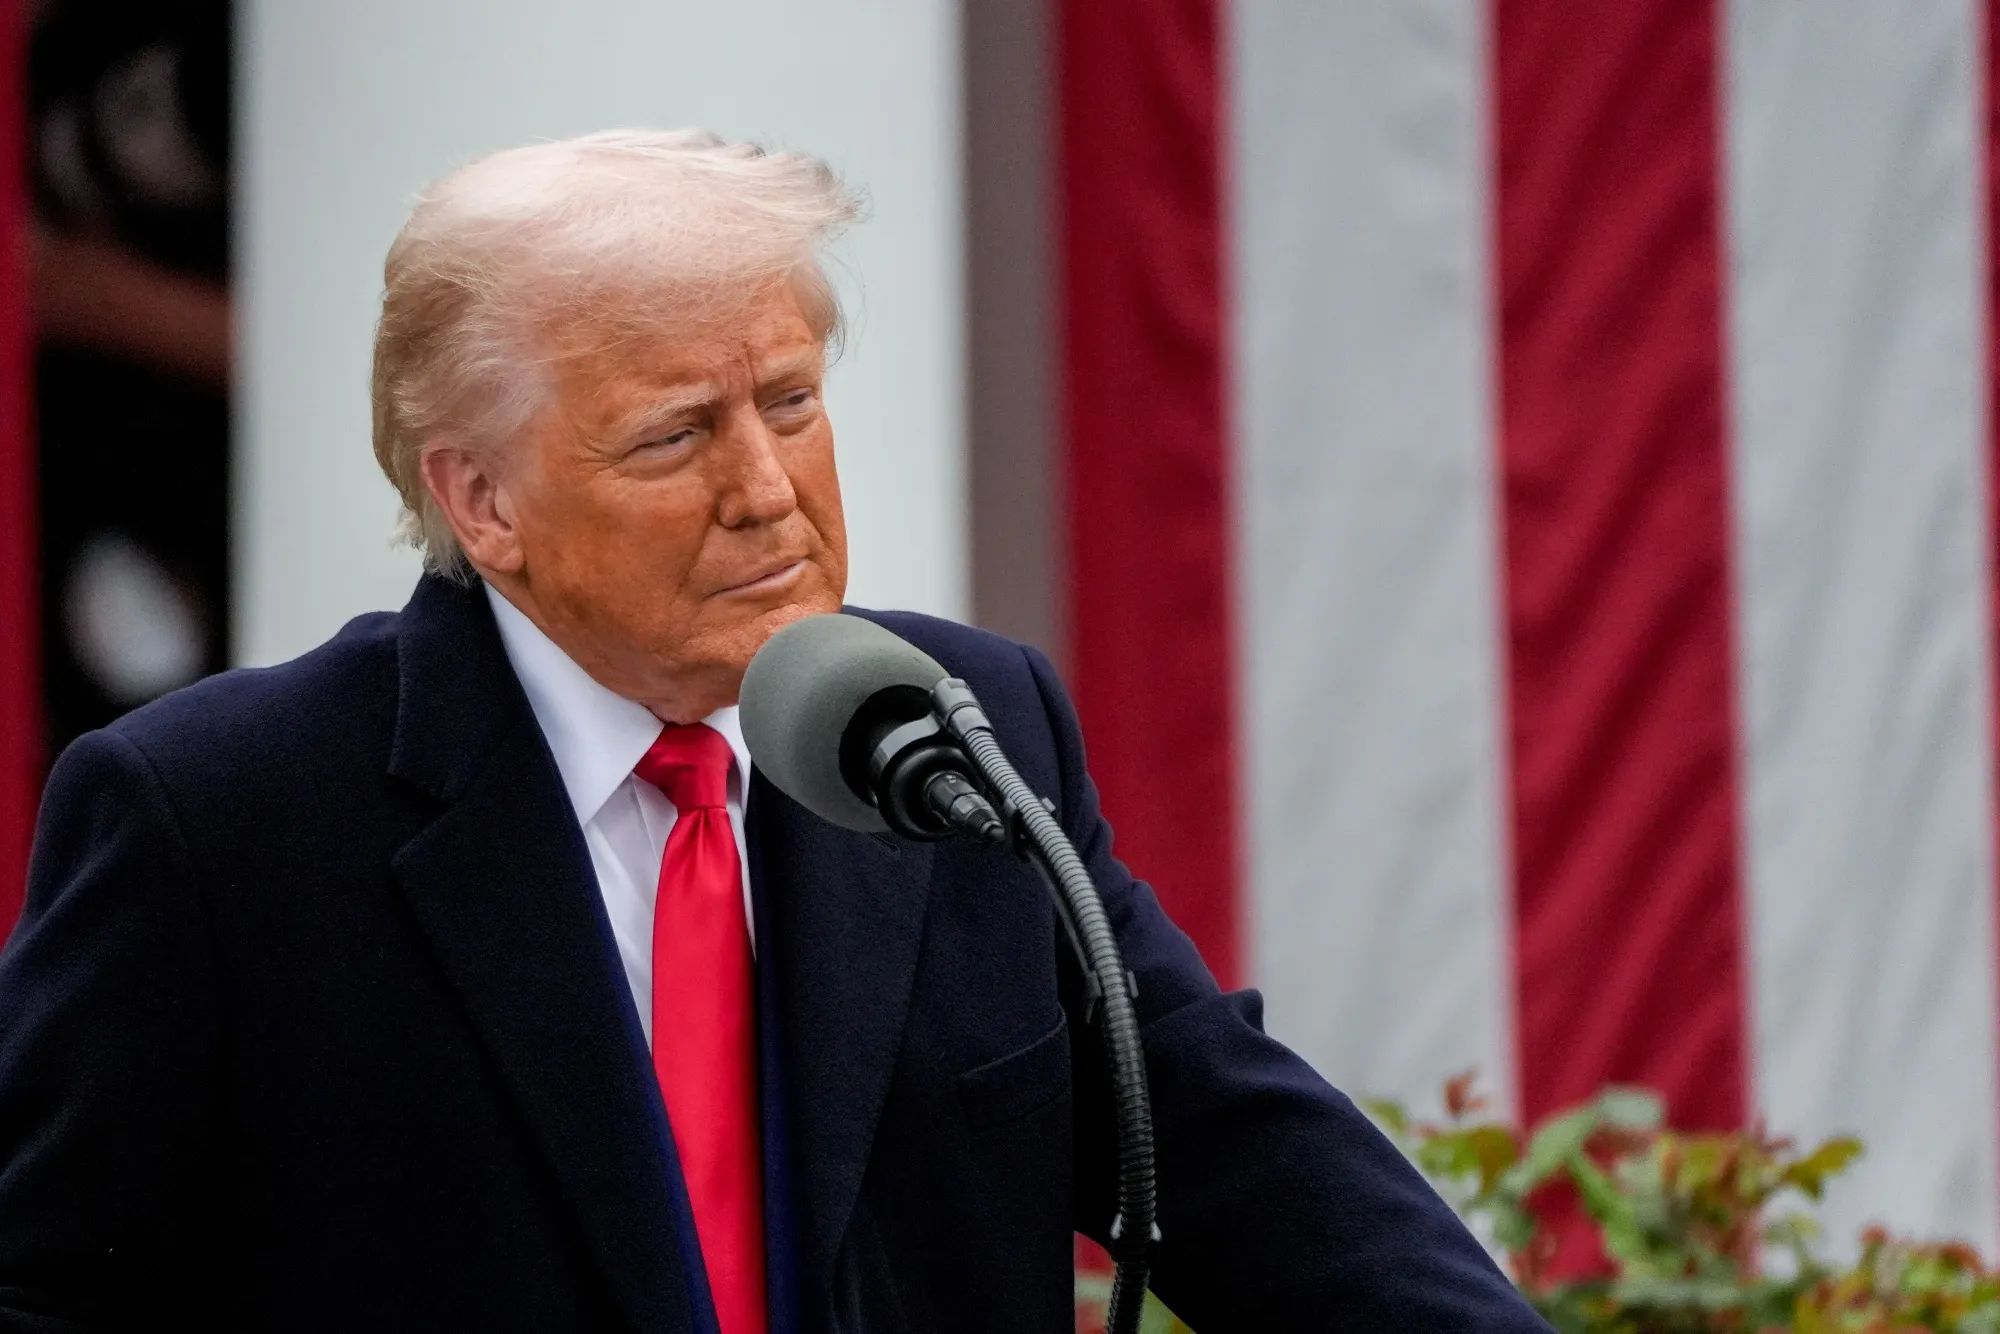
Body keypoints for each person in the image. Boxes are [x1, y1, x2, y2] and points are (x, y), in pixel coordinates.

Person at [0, 131, 1551, 1333]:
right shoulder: (216, 821)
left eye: (793, 402)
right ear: (483, 498)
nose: (766, 485)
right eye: (676, 431)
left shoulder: (963, 727)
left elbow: (1236, 1154)